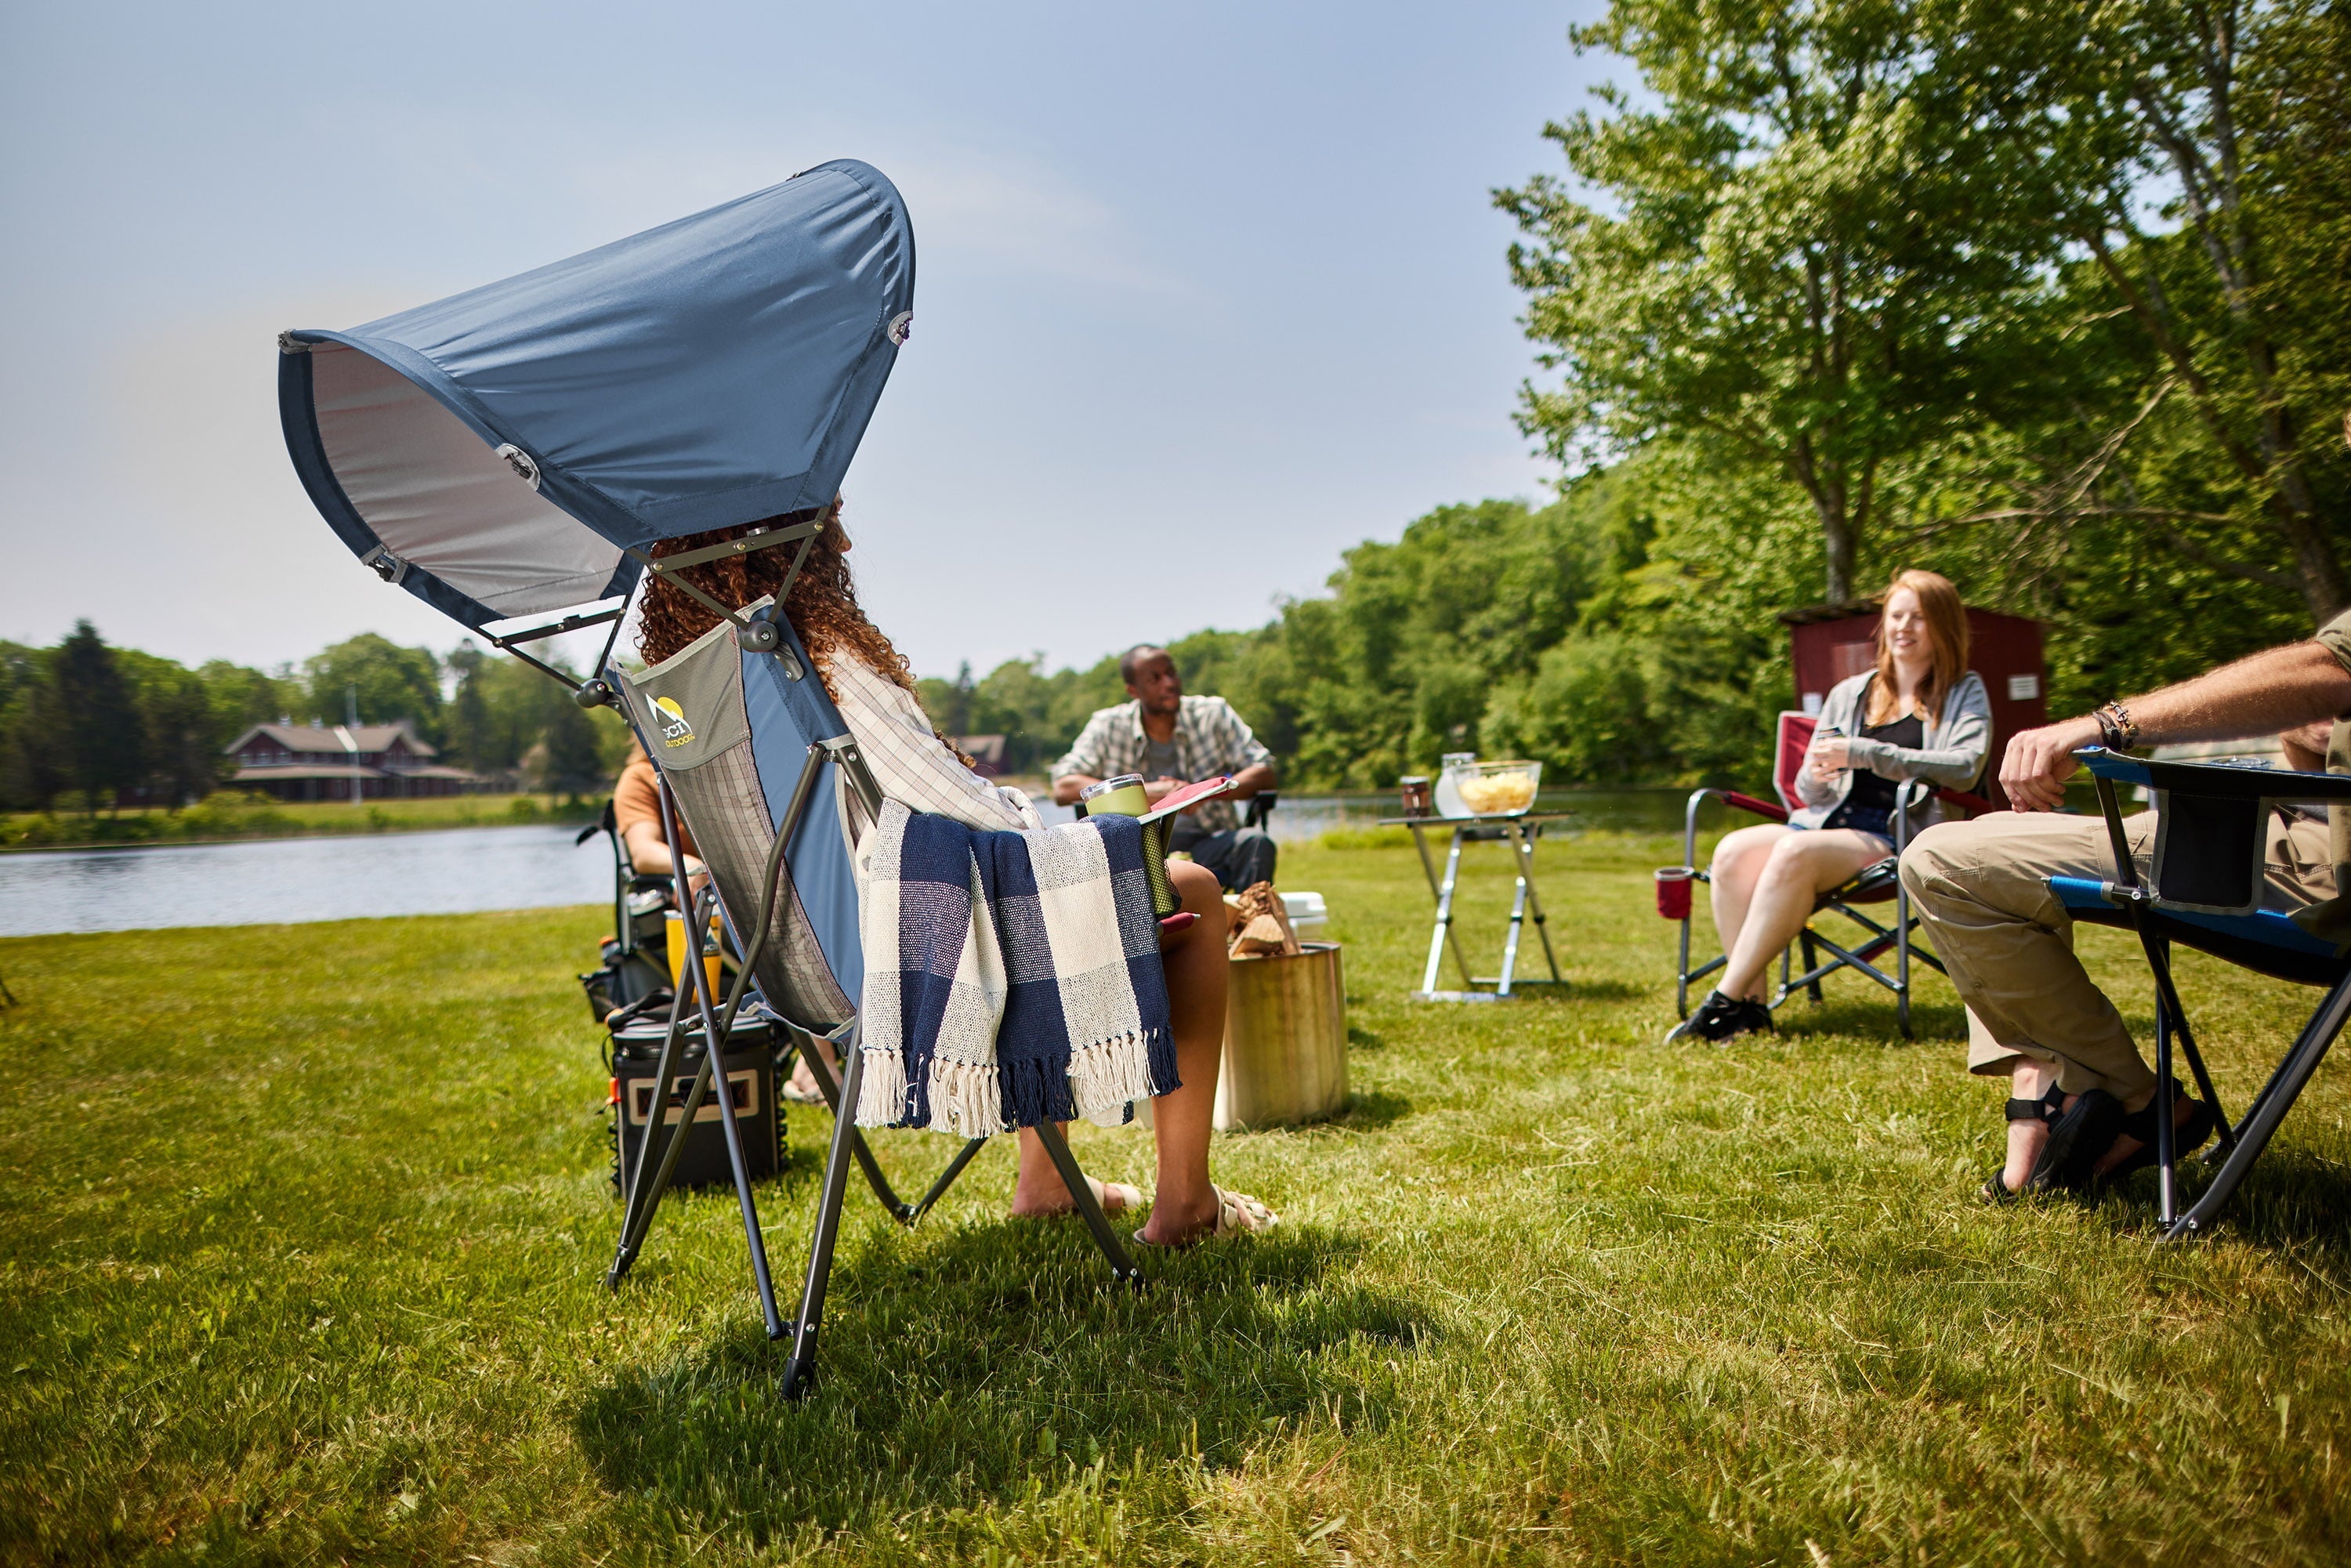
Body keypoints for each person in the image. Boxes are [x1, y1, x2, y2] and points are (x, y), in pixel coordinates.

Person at [634, 501, 1277, 1246]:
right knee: (1190, 888)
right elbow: (957, 804)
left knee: (1021, 887)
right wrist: (1039, 818)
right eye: (822, 520)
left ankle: (1045, 1176)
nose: (836, 535)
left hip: (795, 968)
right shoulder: (806, 659)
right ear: (788, 538)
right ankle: (1187, 1204)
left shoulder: (708, 694)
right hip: (905, 960)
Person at [1903, 607, 2351, 1201]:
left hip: (2311, 856)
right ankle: (2056, 1090)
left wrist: (2106, 725)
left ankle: (2121, 1103)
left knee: (1945, 864)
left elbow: (2330, 669)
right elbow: (2323, 692)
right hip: (2277, 819)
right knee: (1960, 860)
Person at [1669, 570, 1992, 1044]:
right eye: (1896, 616)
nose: (1904, 627)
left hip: (1897, 832)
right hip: (1823, 823)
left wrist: (1864, 753)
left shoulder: (1964, 690)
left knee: (1793, 855)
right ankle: (1750, 1007)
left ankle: (1723, 1000)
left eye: (1918, 617)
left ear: (1943, 624)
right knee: (1732, 852)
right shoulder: (1851, 693)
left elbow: (1964, 767)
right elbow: (1810, 791)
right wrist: (1816, 773)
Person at [1051, 646, 1281, 893]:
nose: (1169, 683)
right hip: (1135, 850)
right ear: (1133, 690)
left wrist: (1202, 793)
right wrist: (1146, 792)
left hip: (1208, 840)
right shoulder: (1107, 726)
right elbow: (1063, 786)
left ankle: (1254, 925)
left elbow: (1264, 771)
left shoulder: (1213, 714)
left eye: (1172, 673)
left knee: (1256, 842)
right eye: (1155, 679)